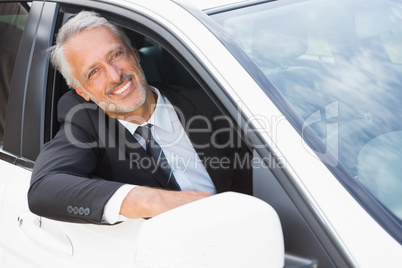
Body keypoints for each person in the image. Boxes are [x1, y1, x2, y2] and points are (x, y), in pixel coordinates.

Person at [28, 11, 252, 224]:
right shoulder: (84, 122)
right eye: (94, 72)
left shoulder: (210, 104)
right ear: (82, 91)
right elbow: (43, 189)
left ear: (135, 54)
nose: (115, 76)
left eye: (116, 54)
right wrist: (150, 200)